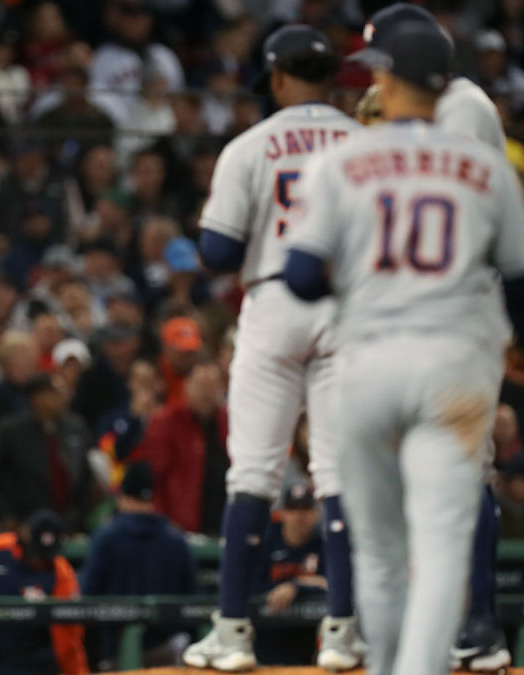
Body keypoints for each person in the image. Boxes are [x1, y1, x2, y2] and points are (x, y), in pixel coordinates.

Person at [282, 18, 524, 675]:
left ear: (393, 81)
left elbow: (300, 275)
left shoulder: (342, 159)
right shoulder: (486, 167)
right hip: (454, 365)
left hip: (368, 364)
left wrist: (354, 272)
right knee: (442, 540)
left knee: (376, 549)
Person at [351, 5, 524, 670]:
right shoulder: (444, 103)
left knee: (463, 469)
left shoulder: (462, 106)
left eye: (382, 60)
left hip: (458, 303)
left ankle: (480, 621)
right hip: (422, 304)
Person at [183, 22, 362, 673]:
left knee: (253, 473)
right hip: (347, 306)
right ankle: (342, 632)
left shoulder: (251, 145)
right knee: (339, 473)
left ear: (279, 78)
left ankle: (232, 631)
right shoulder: (367, 143)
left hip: (274, 299)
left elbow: (220, 254)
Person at [82, 462, 198, 669]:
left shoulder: (107, 538)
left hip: (116, 655)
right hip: (167, 655)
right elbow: (192, 599)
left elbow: (88, 596)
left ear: (123, 496)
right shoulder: (176, 540)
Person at [0, 510, 87, 675]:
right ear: (25, 534)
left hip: (32, 661)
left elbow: (67, 634)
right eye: (37, 552)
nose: (40, 560)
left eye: (45, 555)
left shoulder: (60, 570)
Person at [0, 374, 98, 532]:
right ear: (37, 398)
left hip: (71, 524)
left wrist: (83, 514)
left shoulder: (76, 427)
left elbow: (86, 474)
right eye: (56, 392)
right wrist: (5, 515)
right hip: (25, 522)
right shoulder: (11, 431)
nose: (64, 397)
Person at [132, 362, 229, 534]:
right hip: (177, 528)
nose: (205, 393)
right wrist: (164, 522)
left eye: (211, 386)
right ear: (187, 386)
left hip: (221, 524)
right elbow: (154, 476)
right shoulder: (166, 422)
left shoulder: (229, 422)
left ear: (222, 389)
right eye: (200, 386)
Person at [252, 484, 328, 666]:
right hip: (264, 642)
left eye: (306, 509)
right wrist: (304, 584)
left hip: (308, 645)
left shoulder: (324, 546)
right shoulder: (266, 544)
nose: (299, 516)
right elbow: (251, 588)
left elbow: (333, 586)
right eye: (293, 509)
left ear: (315, 513)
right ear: (282, 512)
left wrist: (296, 587)